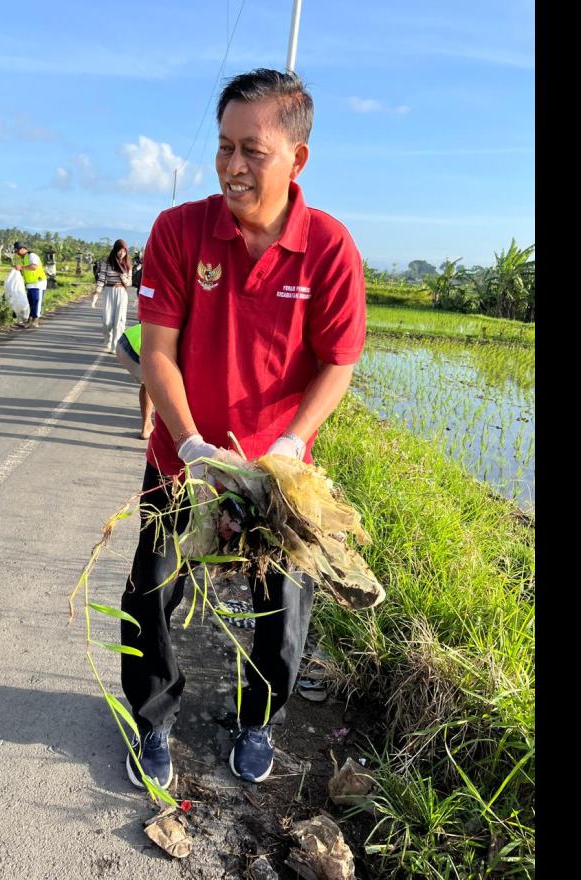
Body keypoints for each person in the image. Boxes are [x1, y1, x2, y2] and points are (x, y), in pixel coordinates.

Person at [119, 68, 366, 790]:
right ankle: (152, 721)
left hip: (275, 472)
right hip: (183, 456)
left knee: (283, 604)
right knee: (152, 589)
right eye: (224, 147)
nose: (231, 166)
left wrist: (288, 446)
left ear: (297, 158)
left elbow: (337, 363)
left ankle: (256, 719)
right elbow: (157, 353)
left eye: (251, 151)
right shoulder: (180, 231)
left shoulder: (329, 248)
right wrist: (193, 447)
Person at [114, 322, 155, 439]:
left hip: (124, 340)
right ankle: (147, 427)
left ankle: (147, 425)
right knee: (155, 383)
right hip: (135, 346)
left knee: (150, 383)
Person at [91, 239, 132, 353]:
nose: (121, 253)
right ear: (115, 250)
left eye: (124, 251)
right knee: (106, 321)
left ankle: (115, 346)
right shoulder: (107, 264)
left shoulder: (127, 265)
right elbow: (102, 279)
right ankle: (108, 339)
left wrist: (122, 275)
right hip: (108, 291)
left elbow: (129, 283)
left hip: (122, 293)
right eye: (120, 250)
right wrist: (96, 294)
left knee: (119, 320)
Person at [12, 242, 47, 328]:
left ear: (22, 249)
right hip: (29, 284)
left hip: (38, 283)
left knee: (36, 301)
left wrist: (21, 267)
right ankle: (29, 320)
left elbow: (34, 267)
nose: (16, 253)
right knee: (29, 302)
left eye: (17, 251)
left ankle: (35, 320)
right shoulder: (22, 259)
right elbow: (23, 270)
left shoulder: (32, 256)